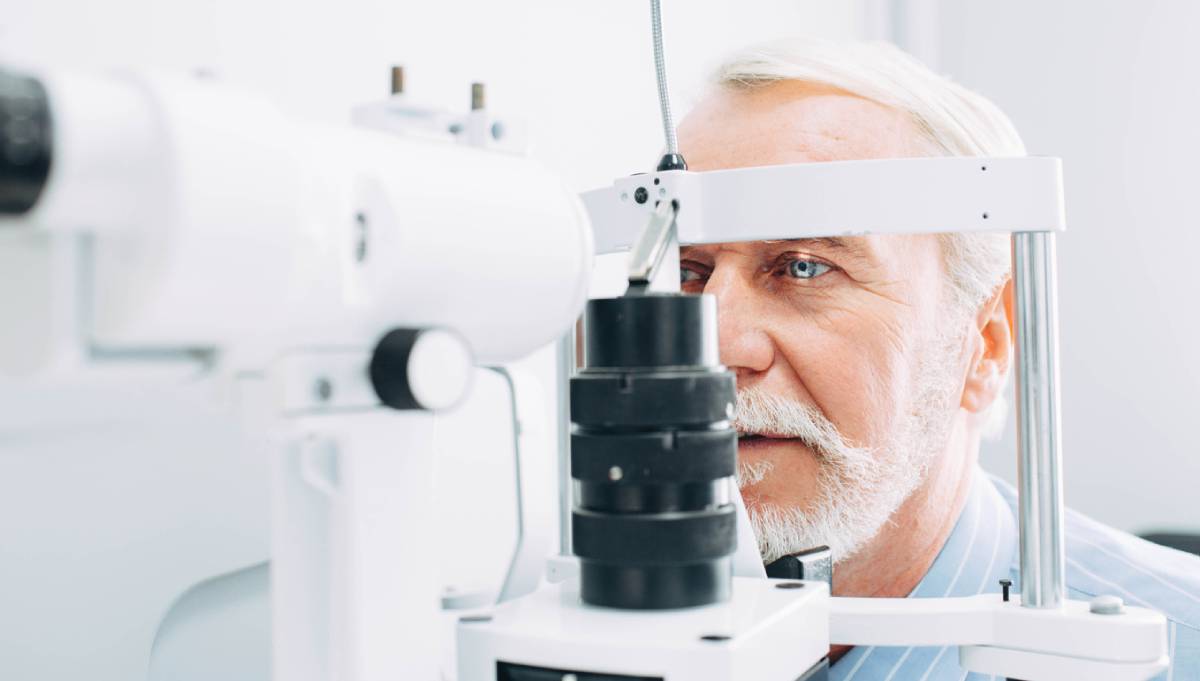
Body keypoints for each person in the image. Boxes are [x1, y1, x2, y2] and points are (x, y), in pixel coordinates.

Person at [675, 37, 1200, 680]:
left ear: (986, 344)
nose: (714, 346)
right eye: (688, 273)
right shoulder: (574, 637)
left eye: (804, 267)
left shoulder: (1180, 648)